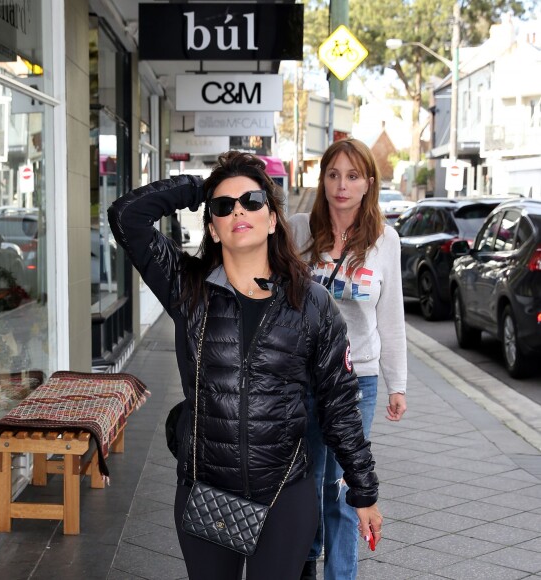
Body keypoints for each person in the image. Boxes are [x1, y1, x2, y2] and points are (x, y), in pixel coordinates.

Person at [108, 151, 382, 580]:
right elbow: (127, 216)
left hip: (284, 495)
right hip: (206, 491)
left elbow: (340, 408)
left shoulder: (312, 303)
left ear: (273, 220)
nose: (238, 209)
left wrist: (364, 491)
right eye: (224, 206)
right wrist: (198, 188)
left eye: (252, 200)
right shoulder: (188, 288)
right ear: (214, 229)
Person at [288, 139, 407, 580]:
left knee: (340, 488)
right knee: (305, 483)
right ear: (322, 180)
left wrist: (398, 385)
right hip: (302, 379)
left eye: (353, 176)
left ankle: (341, 574)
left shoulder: (384, 241)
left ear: (368, 184)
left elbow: (390, 317)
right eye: (333, 174)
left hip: (359, 380)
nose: (342, 185)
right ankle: (304, 564)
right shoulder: (299, 230)